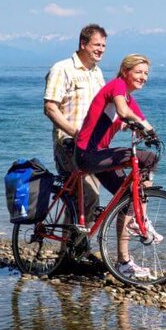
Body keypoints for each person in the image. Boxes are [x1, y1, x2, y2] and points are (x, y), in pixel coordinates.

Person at [75, 53, 160, 279]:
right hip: (88, 155)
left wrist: (153, 134)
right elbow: (124, 113)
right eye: (139, 72)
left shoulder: (129, 98)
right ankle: (142, 218)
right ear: (125, 72)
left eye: (146, 74)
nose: (144, 77)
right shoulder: (117, 87)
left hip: (99, 157)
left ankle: (124, 262)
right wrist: (139, 127)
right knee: (148, 159)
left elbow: (139, 118)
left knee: (127, 199)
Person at [43, 24, 107, 214]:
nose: (101, 50)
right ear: (83, 43)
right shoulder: (62, 69)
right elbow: (50, 108)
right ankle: (77, 243)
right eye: (97, 45)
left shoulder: (96, 73)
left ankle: (72, 244)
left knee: (81, 202)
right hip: (69, 145)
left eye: (104, 46)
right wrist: (76, 133)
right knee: (89, 196)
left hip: (92, 146)